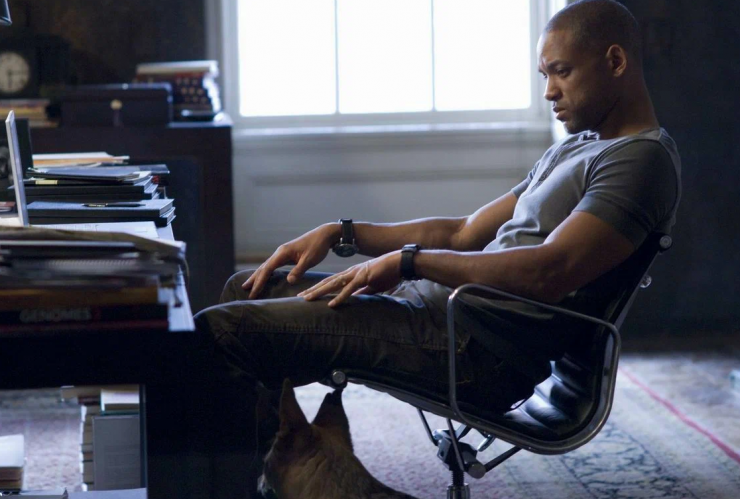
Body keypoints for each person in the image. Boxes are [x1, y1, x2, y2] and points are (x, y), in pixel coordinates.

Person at [192, 0, 681, 497]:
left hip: (475, 351)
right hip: (436, 318)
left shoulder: (640, 162)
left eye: (562, 72)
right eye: (545, 75)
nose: (549, 91)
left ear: (615, 61)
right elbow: (464, 232)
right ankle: (268, 479)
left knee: (222, 331)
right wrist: (343, 233)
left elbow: (549, 272)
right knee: (246, 290)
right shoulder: (577, 147)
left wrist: (410, 263)